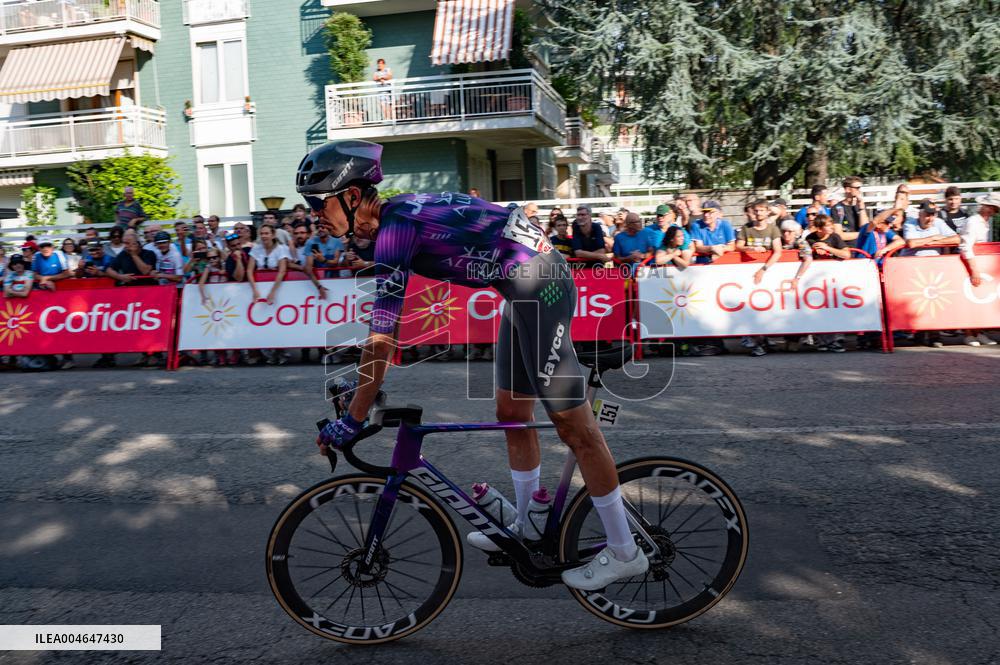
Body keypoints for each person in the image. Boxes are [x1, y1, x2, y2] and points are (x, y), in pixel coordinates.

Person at [302, 139, 648, 589]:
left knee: (576, 430)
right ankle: (528, 520)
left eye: (318, 202)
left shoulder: (396, 228)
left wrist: (353, 416)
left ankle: (625, 551)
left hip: (539, 288)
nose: (313, 213)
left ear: (351, 196)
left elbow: (384, 336)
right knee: (510, 414)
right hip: (520, 289)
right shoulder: (397, 217)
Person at [957, 193, 998, 346]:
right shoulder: (973, 222)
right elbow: (965, 247)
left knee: (978, 297)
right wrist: (974, 270)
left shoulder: (984, 223)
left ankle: (978, 332)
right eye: (993, 208)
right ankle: (969, 333)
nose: (993, 211)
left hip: (979, 265)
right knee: (969, 297)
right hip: (970, 265)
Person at [829, 176, 868, 241]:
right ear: (848, 189)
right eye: (857, 188)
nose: (859, 191)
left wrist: (861, 207)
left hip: (861, 245)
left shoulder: (861, 206)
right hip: (847, 246)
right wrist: (861, 234)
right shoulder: (837, 208)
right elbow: (839, 235)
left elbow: (864, 228)